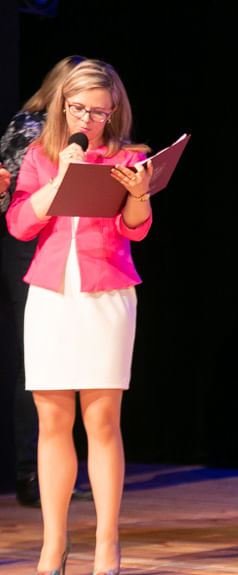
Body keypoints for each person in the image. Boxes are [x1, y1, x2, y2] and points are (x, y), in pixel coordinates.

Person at [5, 58, 154, 575]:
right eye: (78, 108)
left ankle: (107, 545)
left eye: (98, 111)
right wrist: (62, 175)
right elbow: (21, 224)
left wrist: (138, 196)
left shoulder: (130, 156)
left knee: (102, 422)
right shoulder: (41, 156)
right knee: (52, 421)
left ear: (114, 112)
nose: (87, 119)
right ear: (62, 106)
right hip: (50, 294)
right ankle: (53, 545)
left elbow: (136, 230)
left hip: (106, 294)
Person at [1, 55, 91, 509]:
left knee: (75, 364)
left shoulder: (88, 130)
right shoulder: (32, 129)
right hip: (31, 243)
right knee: (36, 363)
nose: (89, 111)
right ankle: (30, 471)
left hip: (75, 247)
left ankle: (60, 467)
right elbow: (13, 198)